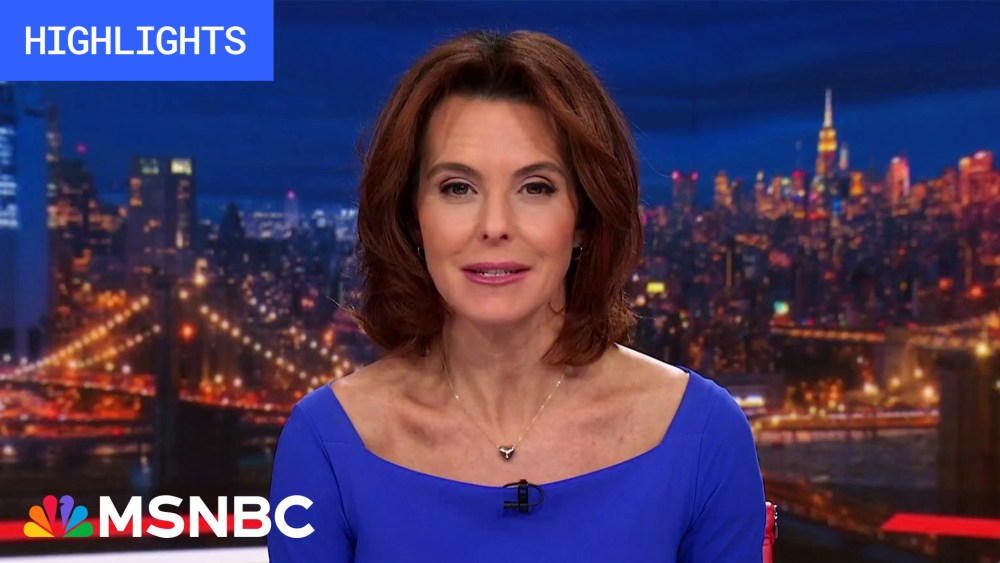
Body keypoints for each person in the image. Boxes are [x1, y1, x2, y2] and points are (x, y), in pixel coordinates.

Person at [267, 29, 765, 562]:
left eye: (535, 187)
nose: (495, 225)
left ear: (584, 215)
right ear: (413, 218)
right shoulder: (326, 441)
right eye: (458, 188)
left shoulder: (704, 435)